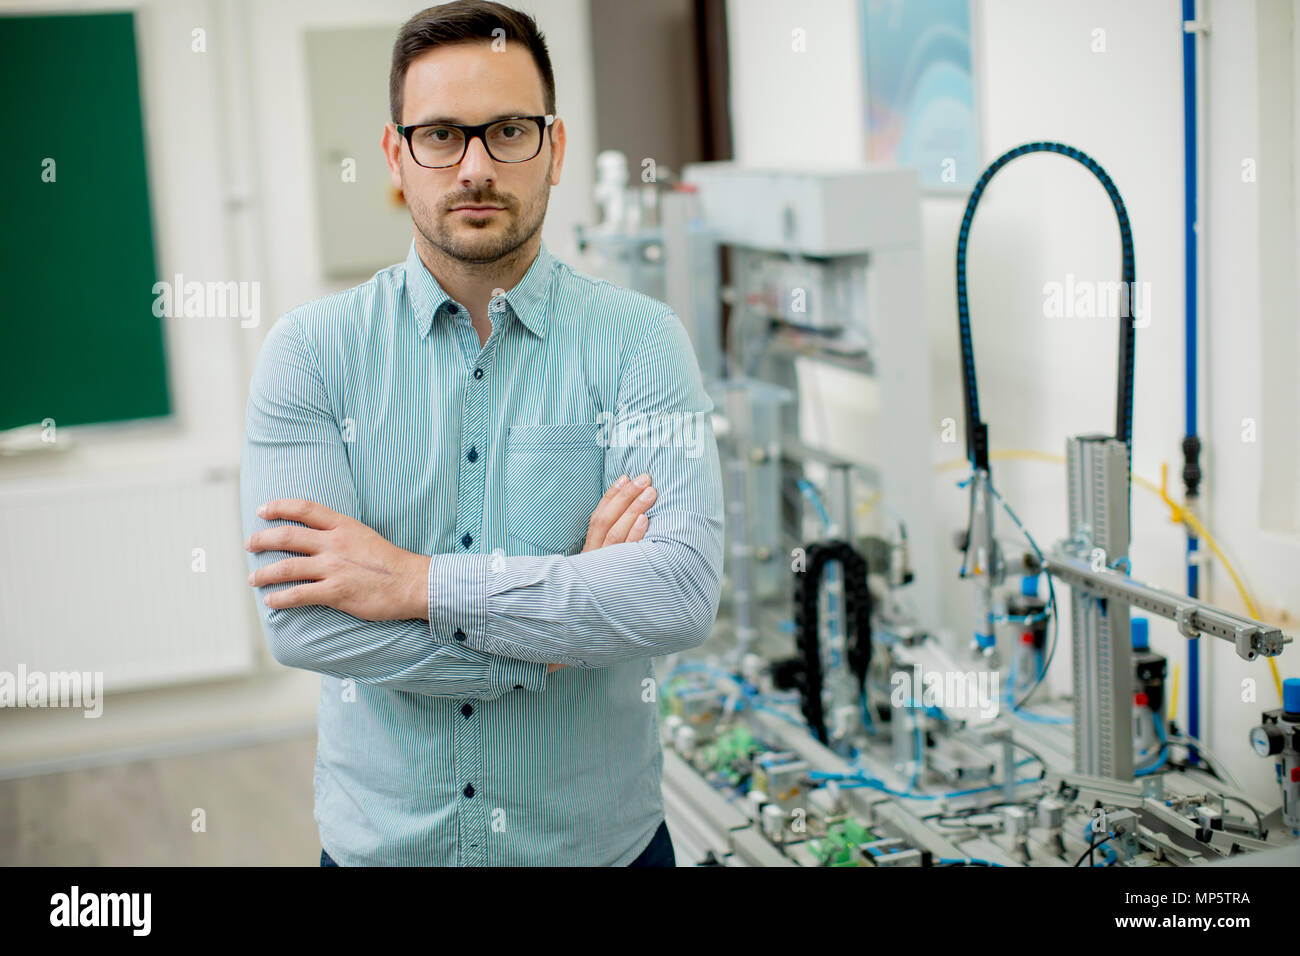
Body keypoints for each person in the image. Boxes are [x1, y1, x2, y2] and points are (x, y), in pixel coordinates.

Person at [239, 0, 723, 866]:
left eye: (507, 131)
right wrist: (562, 631)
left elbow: (678, 592)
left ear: (555, 147)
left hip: (598, 851)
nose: (473, 167)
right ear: (397, 154)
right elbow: (303, 626)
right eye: (440, 136)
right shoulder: (309, 355)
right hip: (384, 852)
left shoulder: (643, 342)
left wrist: (419, 582)